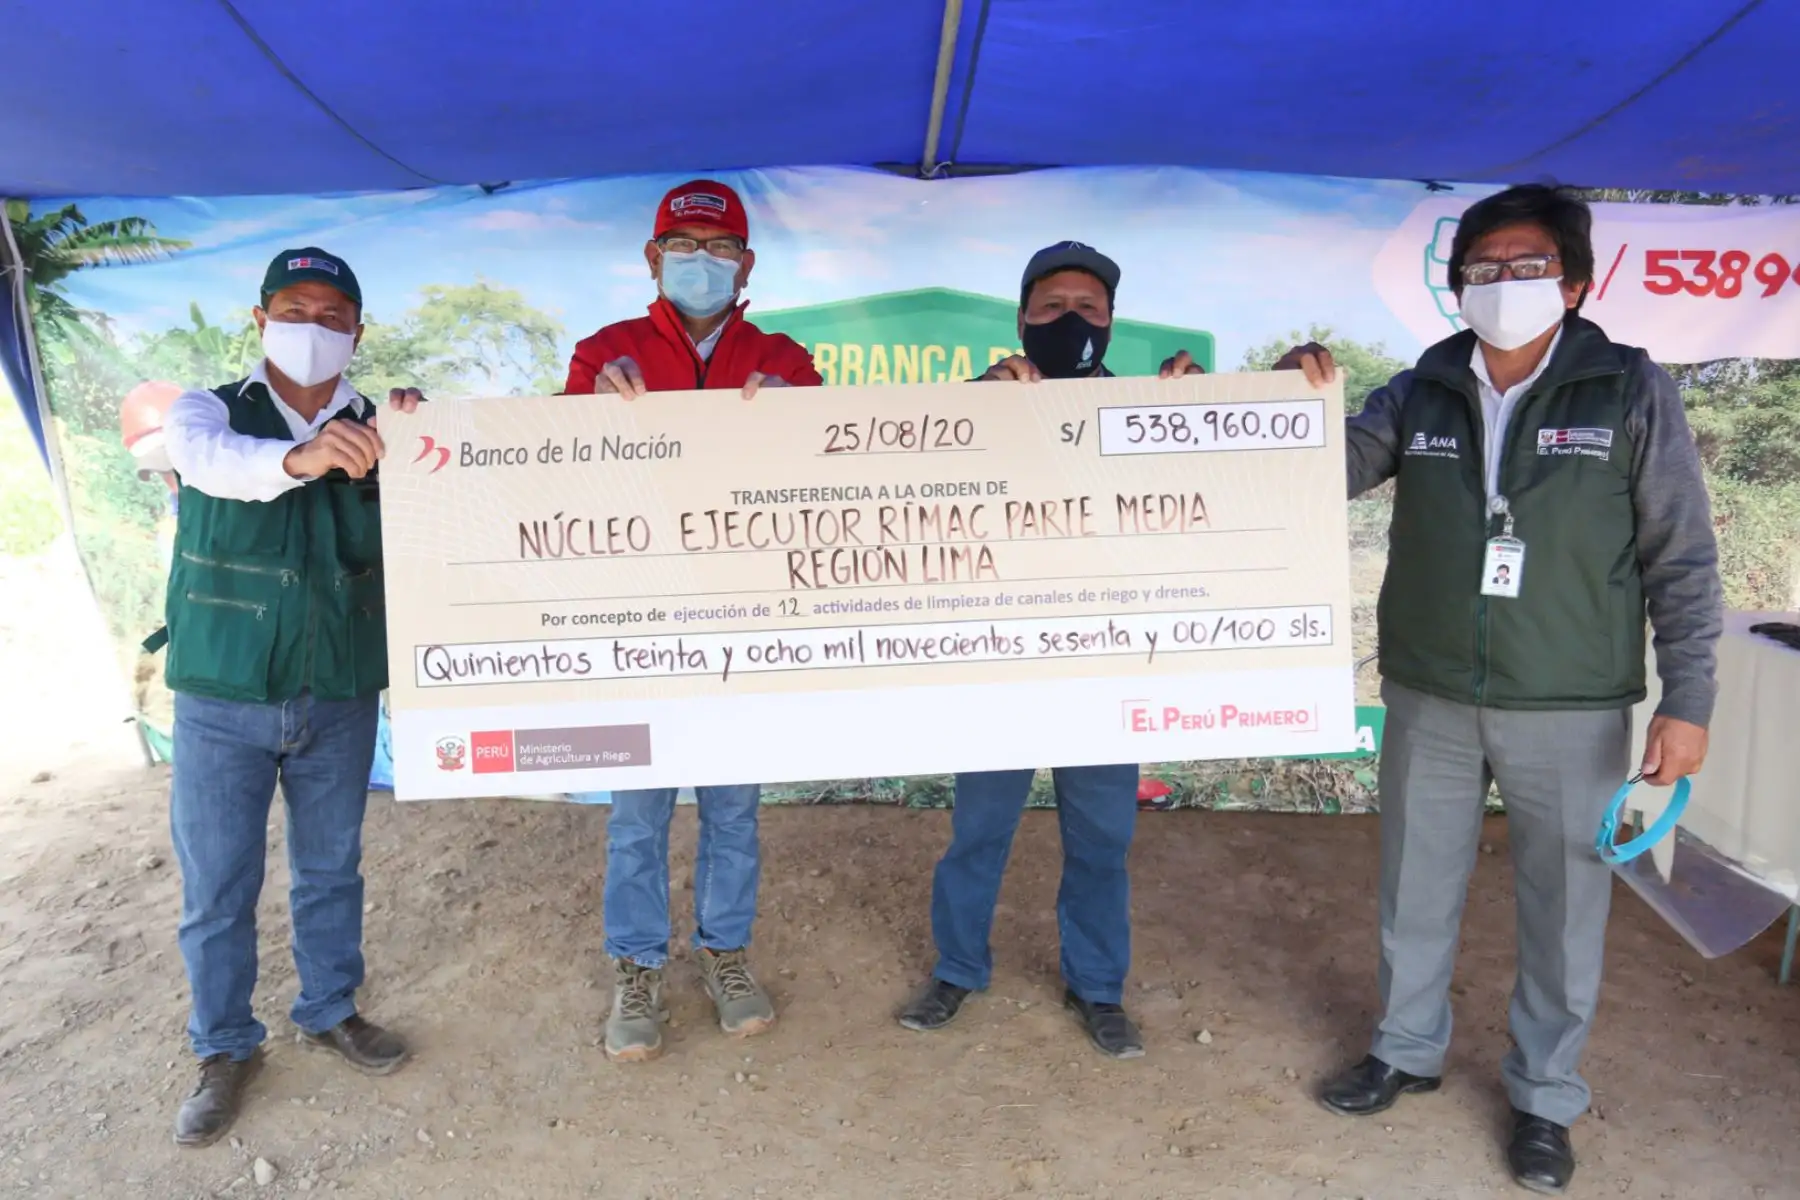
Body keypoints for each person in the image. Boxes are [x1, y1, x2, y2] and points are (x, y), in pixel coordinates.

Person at [1297, 185, 1721, 1195]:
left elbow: (1683, 559)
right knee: (1413, 887)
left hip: (1571, 704)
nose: (1502, 284)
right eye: (1482, 268)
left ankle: (1544, 1097)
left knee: (1567, 905)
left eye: (1527, 265)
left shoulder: (1626, 389)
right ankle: (1404, 1050)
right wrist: (1291, 405)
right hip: (1432, 692)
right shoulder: (1423, 387)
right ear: (1457, 287)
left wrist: (1689, 699)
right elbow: (1323, 470)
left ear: (1575, 282)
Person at [896, 241, 1204, 1059]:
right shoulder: (981, 404)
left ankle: (1099, 988)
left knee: (1102, 840)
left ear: (1112, 323)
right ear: (1021, 320)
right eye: (1052, 309)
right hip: (1000, 665)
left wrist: (1199, 412)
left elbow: (1211, 491)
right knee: (977, 833)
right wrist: (980, 400)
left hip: (1101, 667)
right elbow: (907, 462)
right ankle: (957, 969)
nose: (1071, 322)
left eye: (1089, 310)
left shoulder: (1149, 406)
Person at [154, 248, 424, 1147]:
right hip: (222, 695)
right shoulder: (206, 413)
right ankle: (225, 1046)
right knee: (219, 884)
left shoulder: (383, 424)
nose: (315, 326)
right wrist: (307, 456)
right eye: (295, 307)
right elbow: (212, 464)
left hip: (338, 689)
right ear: (261, 317)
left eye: (335, 312)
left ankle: (330, 1007)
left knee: (330, 868)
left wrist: (423, 442)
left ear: (357, 330)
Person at [564, 180, 822, 1063]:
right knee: (637, 815)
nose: (701, 262)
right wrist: (591, 410)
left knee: (733, 811)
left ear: (746, 264)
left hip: (747, 623)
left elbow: (827, 483)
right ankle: (636, 968)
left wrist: (801, 426)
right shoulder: (603, 353)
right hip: (638, 623)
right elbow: (552, 481)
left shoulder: (786, 360)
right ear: (652, 257)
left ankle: (725, 954)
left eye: (719, 249)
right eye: (685, 245)